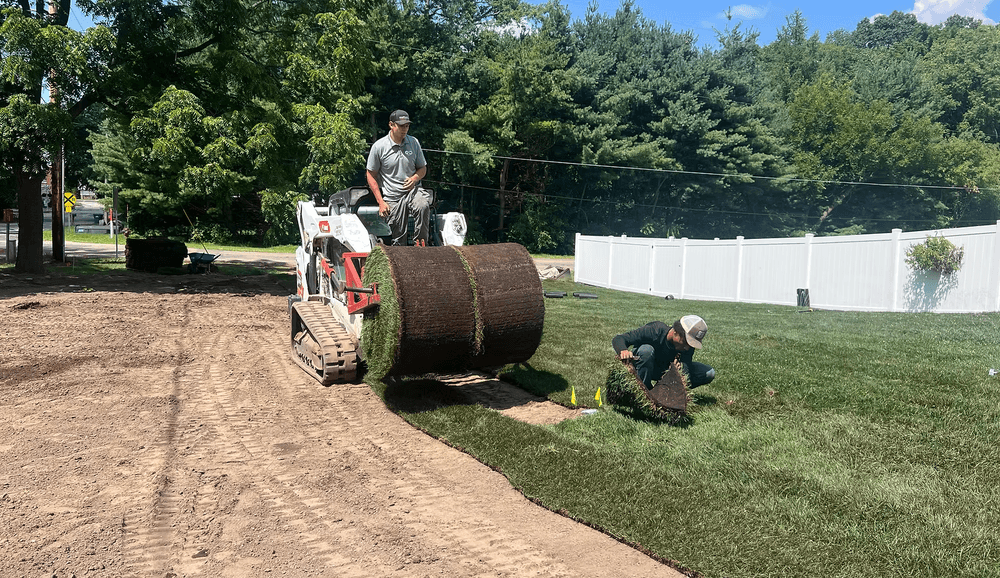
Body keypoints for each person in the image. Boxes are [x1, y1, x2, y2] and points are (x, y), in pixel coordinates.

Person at [366, 109, 432, 246]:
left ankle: (421, 245)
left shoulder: (413, 142)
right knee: (398, 236)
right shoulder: (379, 147)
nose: (405, 129)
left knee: (422, 204)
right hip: (392, 197)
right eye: (401, 126)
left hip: (413, 191)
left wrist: (414, 178)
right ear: (391, 125)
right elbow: (370, 175)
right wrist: (381, 202)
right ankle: (400, 250)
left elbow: (423, 168)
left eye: (407, 126)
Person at [611, 315, 716, 389]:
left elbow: (687, 364)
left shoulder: (687, 346)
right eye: (686, 342)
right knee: (646, 350)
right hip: (643, 365)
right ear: (676, 332)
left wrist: (681, 369)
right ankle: (643, 389)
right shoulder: (655, 330)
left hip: (664, 372)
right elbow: (619, 339)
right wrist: (623, 350)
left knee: (709, 373)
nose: (687, 348)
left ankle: (665, 391)